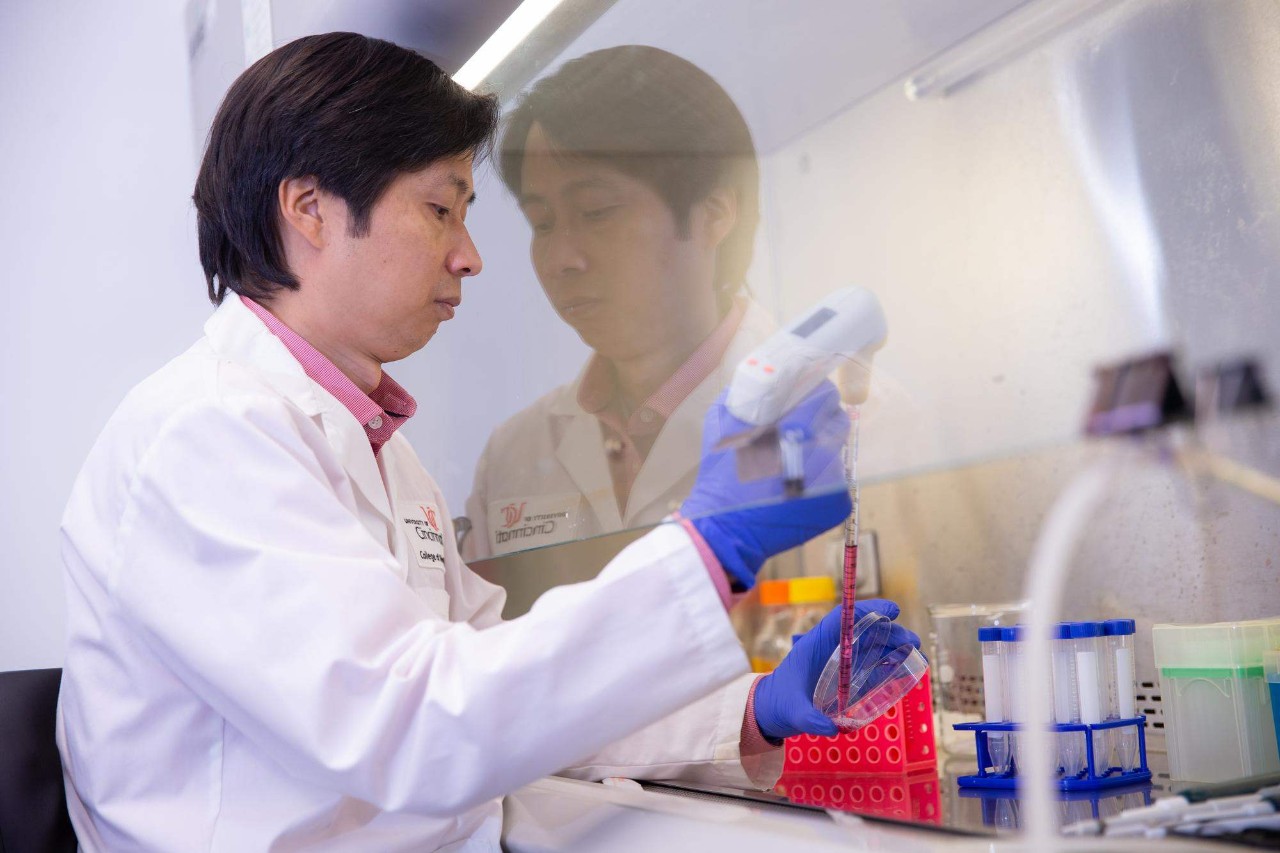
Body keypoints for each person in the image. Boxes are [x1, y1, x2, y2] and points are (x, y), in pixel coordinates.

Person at [56, 33, 913, 851]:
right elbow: (419, 725)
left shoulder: (379, 449)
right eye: (440, 209)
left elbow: (505, 689)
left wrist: (750, 710)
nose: (470, 255)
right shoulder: (204, 435)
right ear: (310, 210)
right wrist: (706, 546)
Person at [464, 46, 775, 560]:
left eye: (597, 212)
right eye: (542, 223)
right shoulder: (515, 453)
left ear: (714, 214)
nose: (561, 257)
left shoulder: (843, 420)